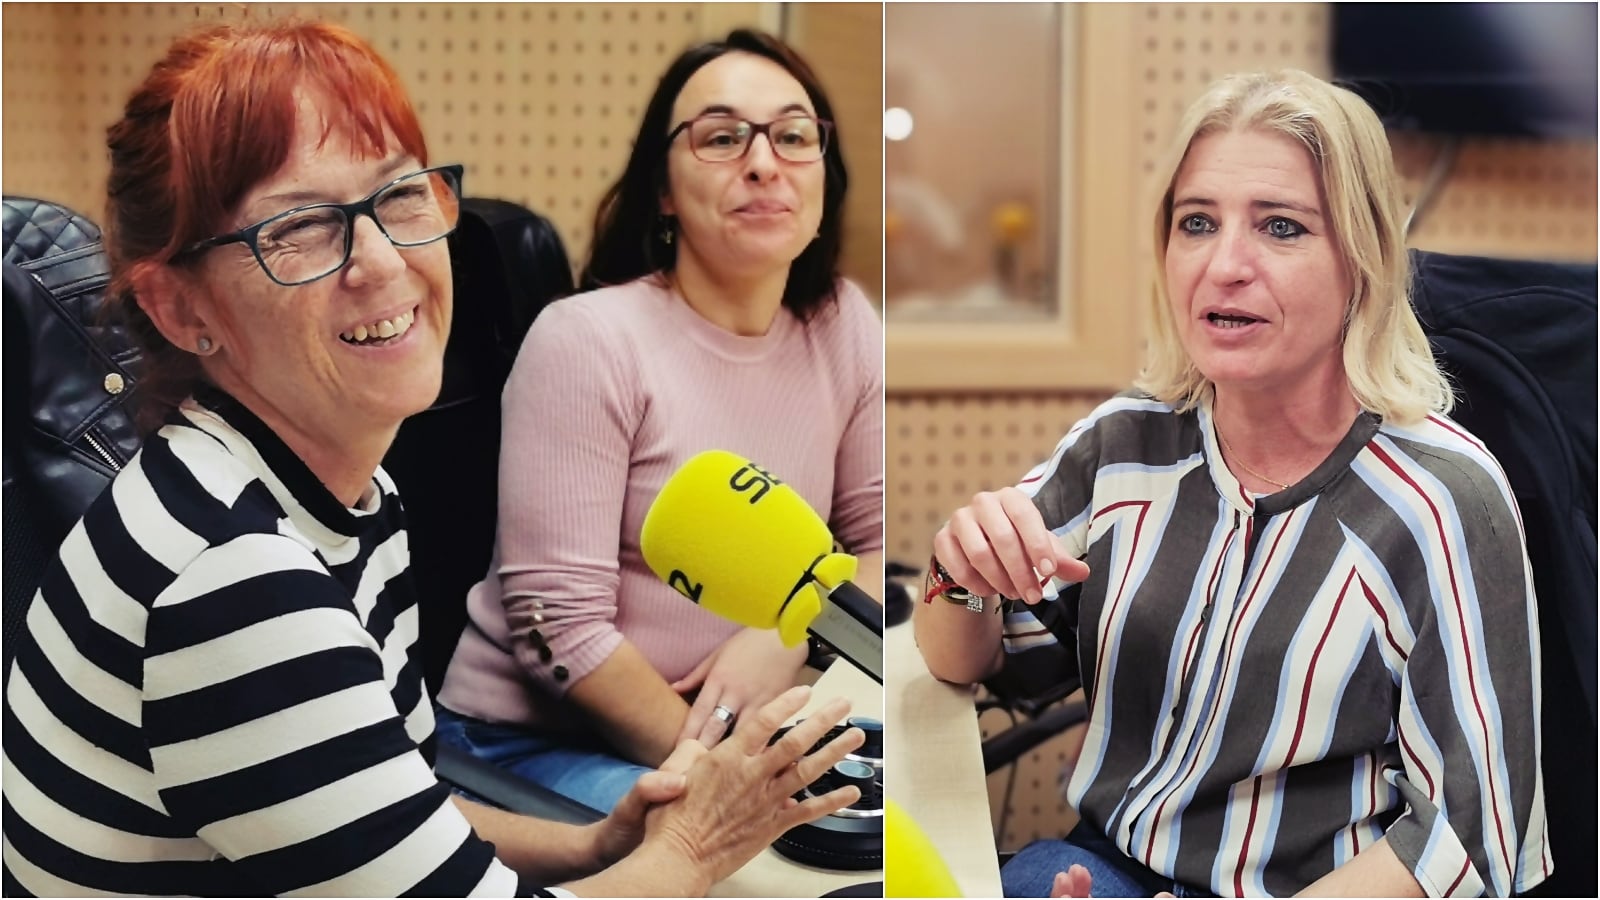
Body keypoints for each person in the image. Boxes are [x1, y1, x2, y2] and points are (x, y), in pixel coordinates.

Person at [0, 21, 863, 897]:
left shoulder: (338, 492)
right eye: (300, 227)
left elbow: (400, 804)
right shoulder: (233, 585)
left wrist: (600, 845)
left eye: (400, 197)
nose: (383, 264)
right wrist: (697, 844)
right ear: (182, 310)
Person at [916, 70, 1549, 898]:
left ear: (1363, 260)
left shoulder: (1441, 500)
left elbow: (1472, 834)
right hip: (1100, 870)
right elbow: (974, 662)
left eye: (1281, 227)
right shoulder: (1126, 442)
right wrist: (961, 579)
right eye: (1197, 223)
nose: (1225, 265)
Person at [435, 28, 884, 814]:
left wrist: (776, 641)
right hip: (530, 746)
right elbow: (558, 631)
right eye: (720, 137)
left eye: (792, 135)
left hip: (733, 730)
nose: (762, 161)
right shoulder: (588, 340)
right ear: (665, 191)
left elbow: (875, 550)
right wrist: (720, 772)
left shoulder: (841, 324)